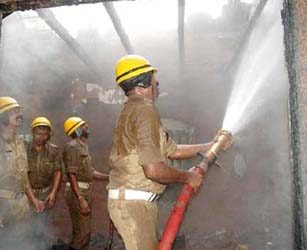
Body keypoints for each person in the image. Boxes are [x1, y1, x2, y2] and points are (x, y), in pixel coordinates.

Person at [107, 55, 213, 250]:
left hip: (135, 203)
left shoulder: (134, 110)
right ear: (143, 83)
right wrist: (188, 177)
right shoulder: (145, 111)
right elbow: (154, 171)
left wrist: (209, 145)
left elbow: (173, 150)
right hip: (133, 204)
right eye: (155, 81)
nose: (158, 86)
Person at [63, 117, 109, 250]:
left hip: (83, 191)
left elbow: (91, 172)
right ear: (76, 130)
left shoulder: (83, 147)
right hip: (78, 192)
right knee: (83, 232)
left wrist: (109, 177)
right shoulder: (72, 147)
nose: (87, 126)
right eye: (83, 125)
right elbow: (71, 174)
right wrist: (80, 198)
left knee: (81, 231)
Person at [0, 96, 35, 248]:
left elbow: (24, 176)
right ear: (2, 117)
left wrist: (33, 200)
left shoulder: (20, 141)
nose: (20, 114)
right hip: (4, 205)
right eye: (14, 111)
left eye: (19, 111)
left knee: (22, 243)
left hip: (21, 204)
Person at [25, 116, 63, 249]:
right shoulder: (23, 148)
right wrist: (32, 198)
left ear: (49, 135)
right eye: (38, 134)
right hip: (27, 194)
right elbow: (22, 174)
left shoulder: (54, 151)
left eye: (45, 134)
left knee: (44, 227)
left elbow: (58, 171)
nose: (41, 137)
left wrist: (53, 193)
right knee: (27, 228)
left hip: (46, 194)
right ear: (33, 133)